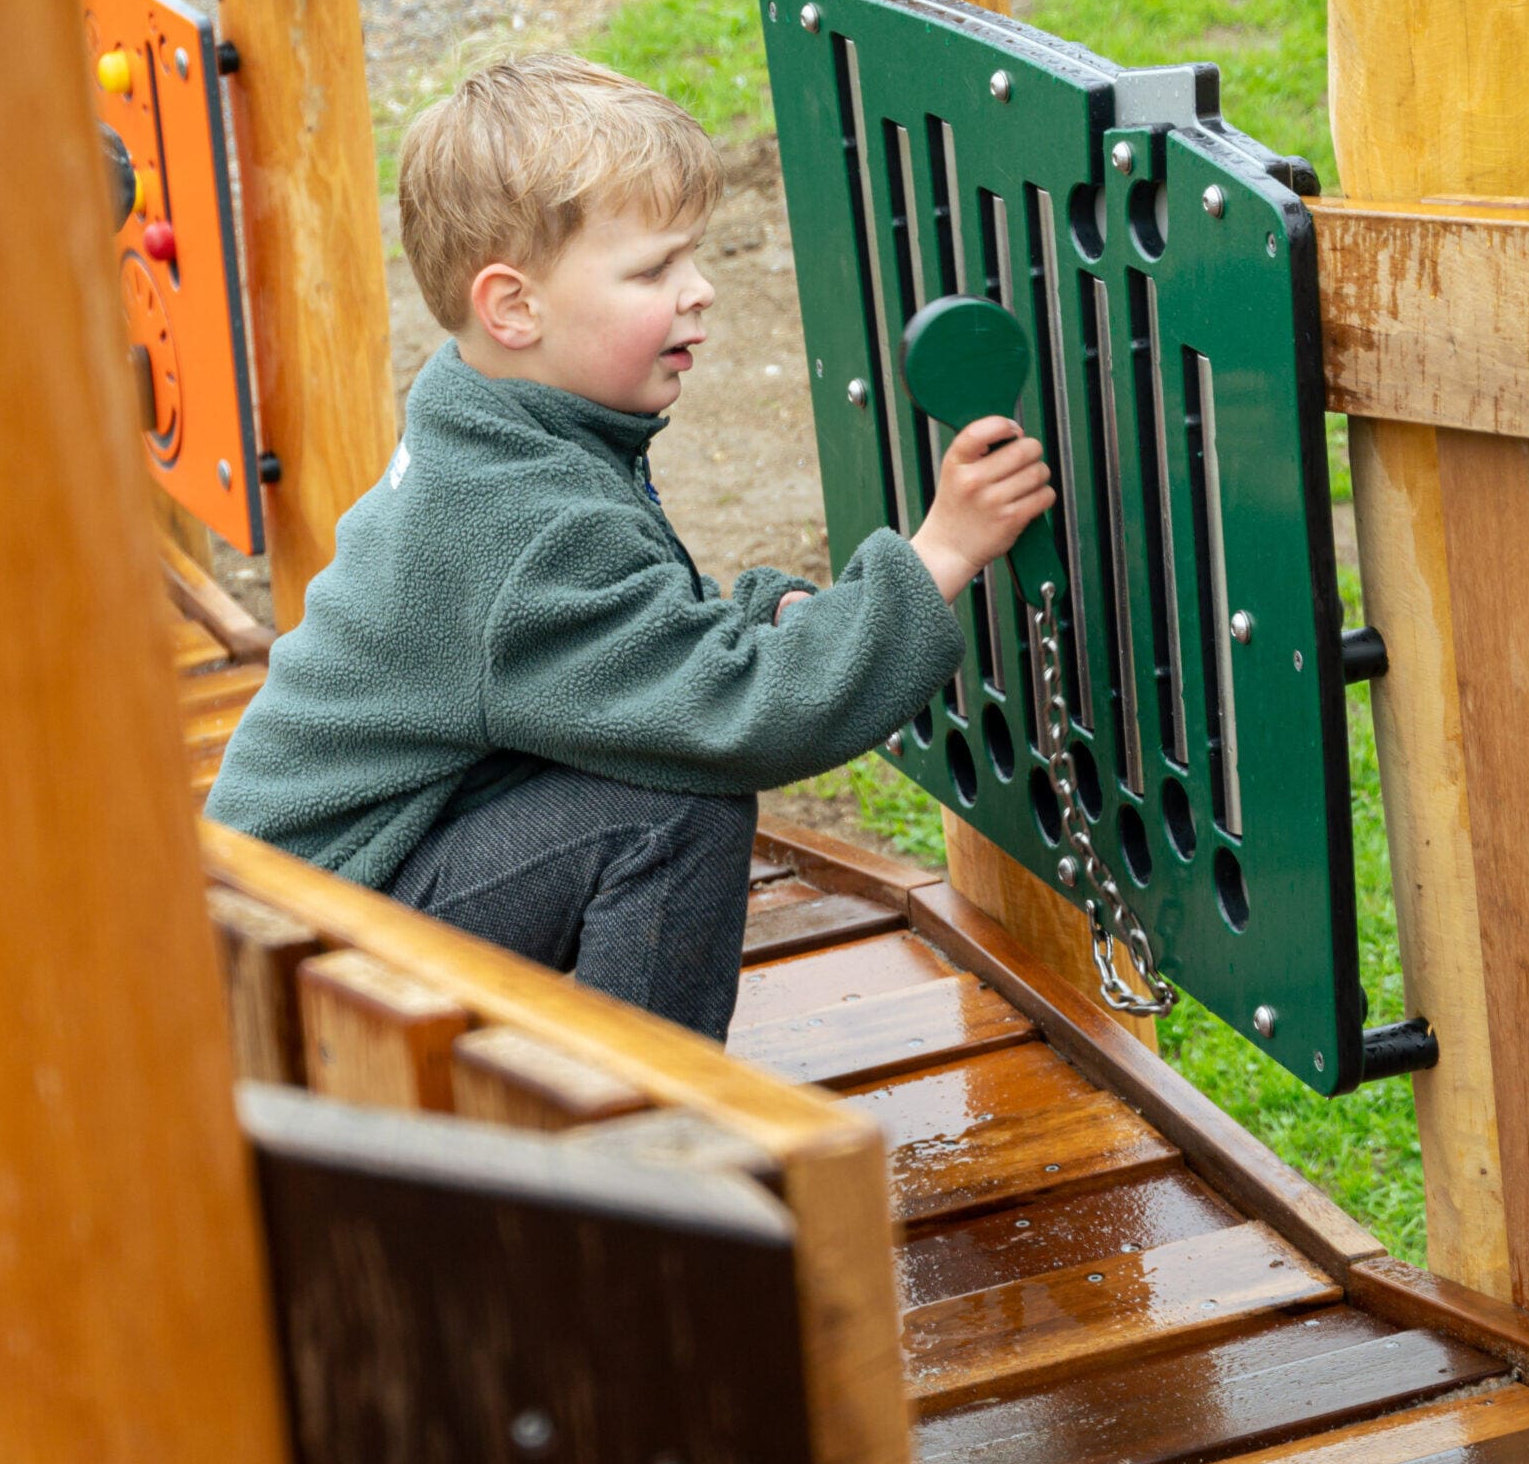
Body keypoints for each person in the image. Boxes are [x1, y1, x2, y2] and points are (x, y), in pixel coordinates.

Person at [205, 54, 1052, 1039]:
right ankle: (642, 1124)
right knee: (674, 810)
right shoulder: (526, 523)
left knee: (652, 776)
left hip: (285, 921)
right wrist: (941, 551)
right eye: (654, 270)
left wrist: (765, 616)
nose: (699, 291)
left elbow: (621, 639)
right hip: (295, 987)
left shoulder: (487, 419)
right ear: (512, 307)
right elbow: (741, 715)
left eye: (691, 258)